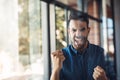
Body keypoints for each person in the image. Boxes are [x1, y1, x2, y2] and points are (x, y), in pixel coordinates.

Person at [50, 11, 108, 80]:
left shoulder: (100, 52)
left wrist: (104, 78)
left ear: (88, 31)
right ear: (69, 32)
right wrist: (55, 70)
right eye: (74, 30)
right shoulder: (60, 57)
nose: (78, 35)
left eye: (82, 30)